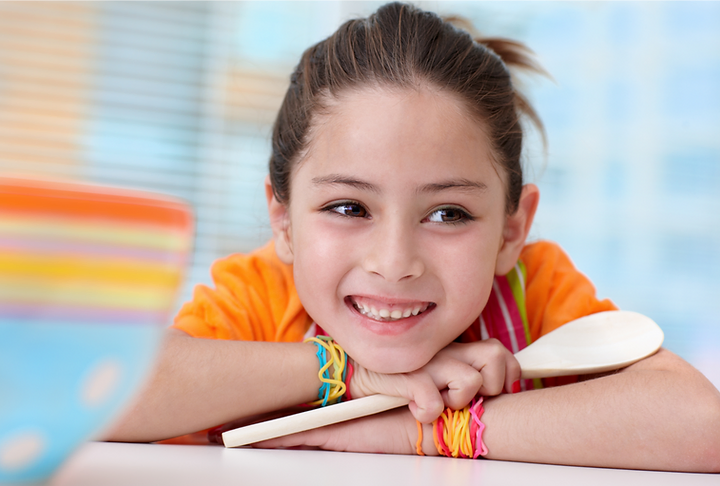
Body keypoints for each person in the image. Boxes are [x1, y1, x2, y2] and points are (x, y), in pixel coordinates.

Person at [106, 2, 720, 471]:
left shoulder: (533, 288)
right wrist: (344, 372)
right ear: (283, 220)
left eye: (448, 214)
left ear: (512, 230)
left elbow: (699, 423)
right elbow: (102, 393)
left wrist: (426, 431)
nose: (394, 263)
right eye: (348, 206)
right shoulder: (263, 293)